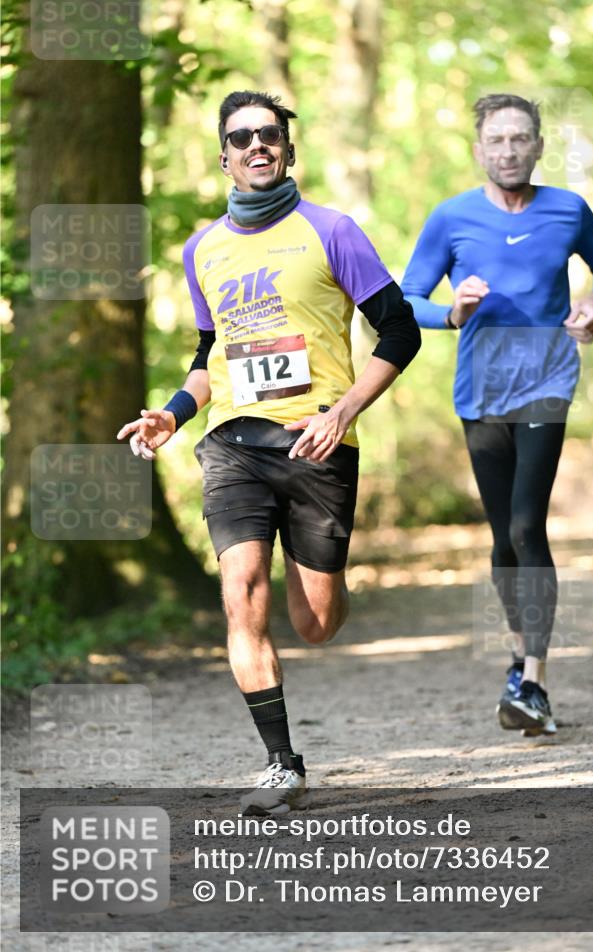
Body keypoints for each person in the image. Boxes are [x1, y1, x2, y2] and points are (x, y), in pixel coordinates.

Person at [117, 90, 420, 811]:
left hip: (318, 444)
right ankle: (282, 762)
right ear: (223, 155)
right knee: (241, 597)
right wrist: (174, 413)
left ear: (287, 150)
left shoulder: (332, 231)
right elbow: (208, 351)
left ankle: (326, 579)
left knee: (315, 621)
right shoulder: (202, 250)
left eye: (269, 135)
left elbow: (399, 332)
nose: (257, 145)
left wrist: (344, 411)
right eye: (241, 137)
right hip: (233, 447)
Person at [402, 93, 593, 736]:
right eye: (496, 140)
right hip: (480, 391)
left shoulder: (567, 210)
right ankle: (519, 651)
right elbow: (407, 296)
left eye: (519, 139)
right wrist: (452, 313)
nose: (508, 150)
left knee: (528, 527)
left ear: (538, 146)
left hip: (547, 380)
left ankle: (535, 679)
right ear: (479, 151)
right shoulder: (451, 218)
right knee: (502, 538)